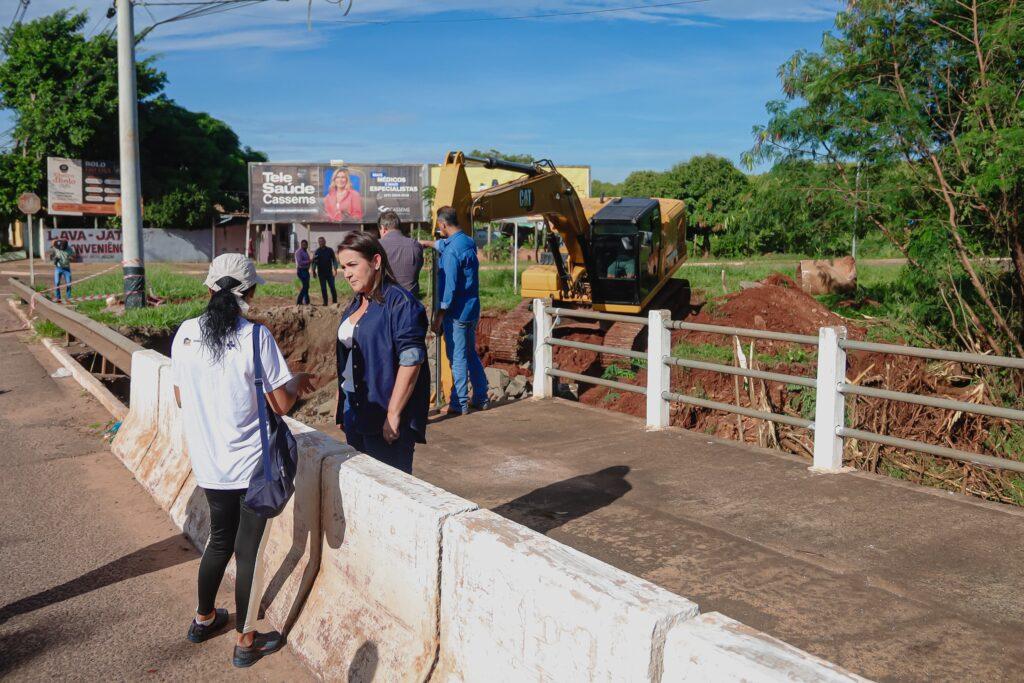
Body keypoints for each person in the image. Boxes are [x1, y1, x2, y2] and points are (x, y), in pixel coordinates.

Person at [170, 253, 315, 668]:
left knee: (219, 539)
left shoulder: (184, 334)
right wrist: (299, 382)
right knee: (247, 549)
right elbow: (282, 404)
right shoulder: (255, 337)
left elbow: (181, 397)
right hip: (252, 466)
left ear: (209, 288)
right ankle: (245, 640)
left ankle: (203, 619)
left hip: (209, 464)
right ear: (249, 292)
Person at [334, 231, 430, 474]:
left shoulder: (400, 303)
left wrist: (393, 413)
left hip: (384, 415)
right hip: (356, 411)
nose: (347, 273)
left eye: (353, 265)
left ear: (376, 262)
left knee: (390, 491)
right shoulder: (357, 302)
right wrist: (343, 407)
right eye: (343, 267)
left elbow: (411, 360)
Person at [422, 206, 489, 414]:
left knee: (457, 357)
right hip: (471, 309)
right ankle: (481, 397)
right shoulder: (466, 241)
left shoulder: (451, 252)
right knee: (470, 353)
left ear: (443, 224)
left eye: (439, 226)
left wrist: (439, 317)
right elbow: (444, 244)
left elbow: (448, 290)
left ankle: (459, 403)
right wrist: (427, 243)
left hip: (456, 313)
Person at [378, 210, 424, 297]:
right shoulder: (415, 245)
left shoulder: (376, 245)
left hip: (385, 301)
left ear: (383, 228)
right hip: (411, 301)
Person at [312, 236, 338, 305]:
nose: (321, 243)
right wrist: (313, 271)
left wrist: (335, 269)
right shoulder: (317, 251)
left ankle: (335, 302)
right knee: (323, 289)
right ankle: (325, 303)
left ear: (325, 242)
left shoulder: (330, 250)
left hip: (329, 273)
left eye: (322, 241)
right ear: (318, 243)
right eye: (319, 242)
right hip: (321, 273)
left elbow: (334, 260)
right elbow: (314, 262)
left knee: (332, 287)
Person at [295, 239, 311, 305]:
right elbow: (300, 262)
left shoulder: (306, 252)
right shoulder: (299, 252)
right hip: (301, 271)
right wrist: (309, 261)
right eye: (303, 244)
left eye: (305, 245)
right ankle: (299, 301)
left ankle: (306, 301)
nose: (304, 246)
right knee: (305, 286)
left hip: (306, 271)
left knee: (307, 286)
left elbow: (307, 261)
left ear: (307, 245)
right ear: (301, 245)